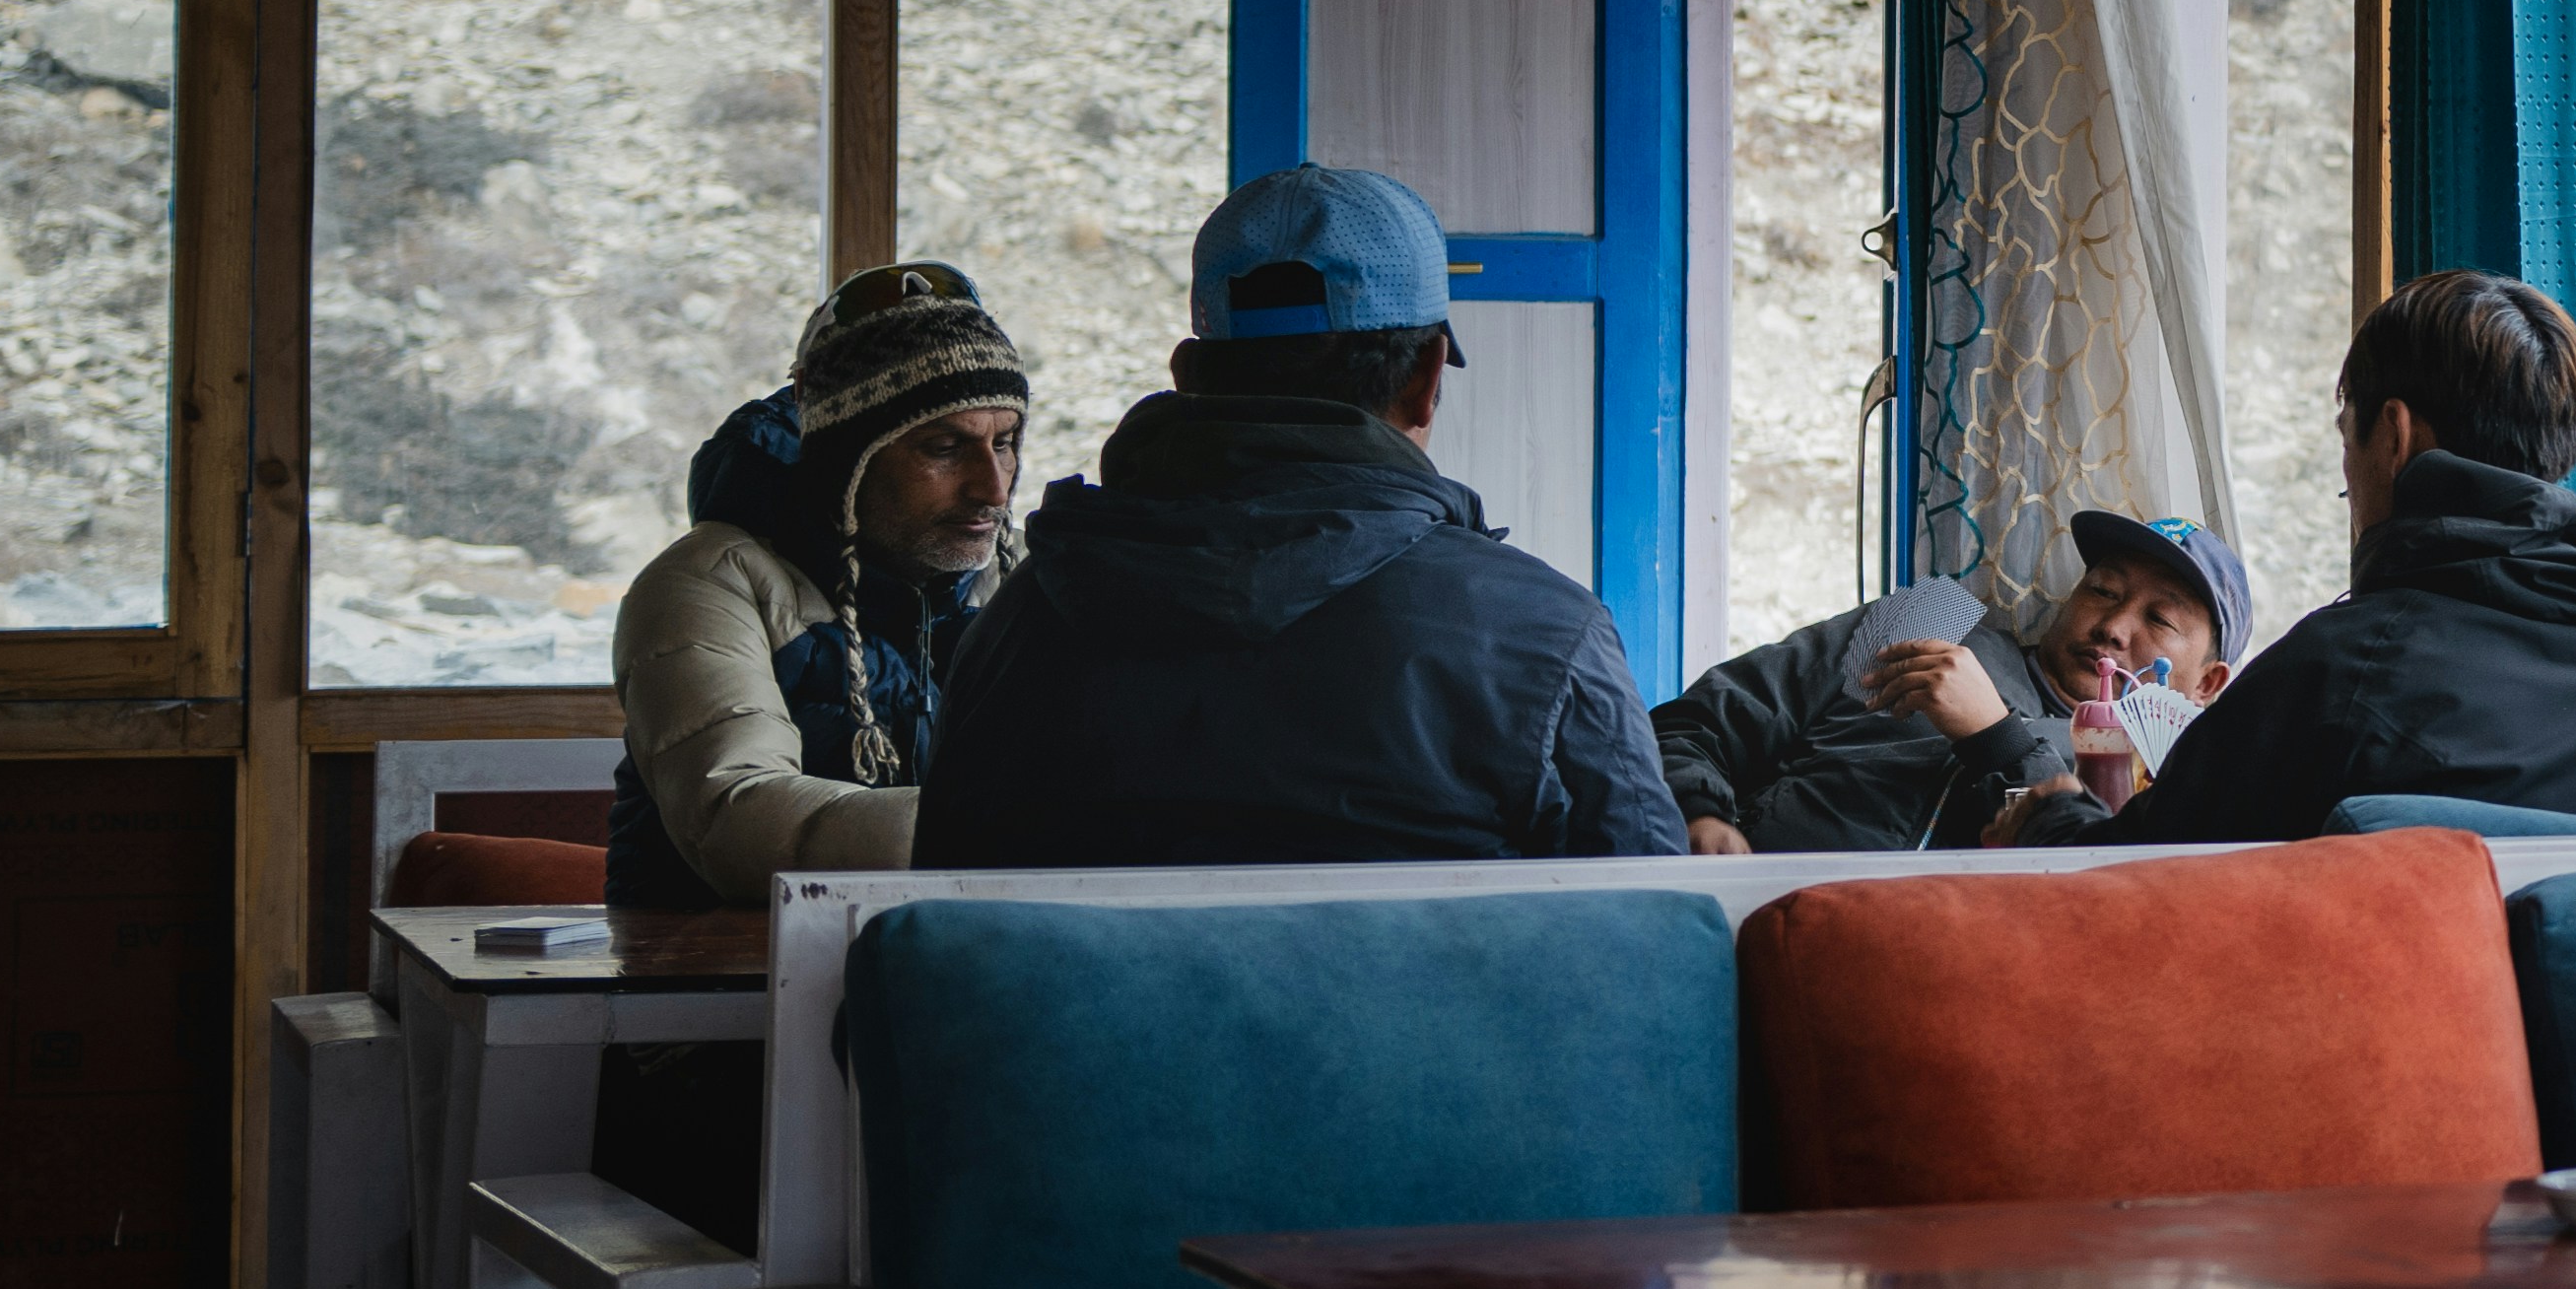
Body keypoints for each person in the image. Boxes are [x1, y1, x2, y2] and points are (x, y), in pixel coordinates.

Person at [920, 165, 1675, 866]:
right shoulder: (1545, 633)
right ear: (1425, 377)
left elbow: (938, 915)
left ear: (1187, 375)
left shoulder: (1017, 625)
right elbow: (1658, 934)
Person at [2068, 272, 2576, 843]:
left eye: (2346, 441)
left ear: (2393, 435)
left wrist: (2050, 822)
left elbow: (2141, 872)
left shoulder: (2344, 669)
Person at [602, 257, 1030, 909]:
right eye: (944, 448)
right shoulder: (710, 583)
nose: (992, 488)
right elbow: (737, 815)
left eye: (1004, 442)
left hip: (965, 962)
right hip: (709, 983)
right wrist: (1031, 831)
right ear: (844, 461)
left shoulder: (1026, 577)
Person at [1656, 507, 2256, 854]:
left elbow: (2086, 872)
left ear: (2207, 683)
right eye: (2101, 590)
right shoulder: (1926, 627)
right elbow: (1692, 723)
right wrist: (1700, 814)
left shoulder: (2177, 784)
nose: (2115, 627)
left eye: (2159, 619)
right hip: (1753, 905)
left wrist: (1996, 737)